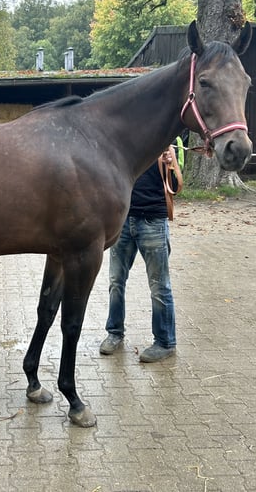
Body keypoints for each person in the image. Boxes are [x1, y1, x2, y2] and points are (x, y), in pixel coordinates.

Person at [99, 139, 184, 362]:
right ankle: (114, 333)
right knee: (116, 281)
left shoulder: (166, 143)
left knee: (159, 286)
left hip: (153, 222)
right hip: (124, 221)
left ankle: (165, 342)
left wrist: (171, 163)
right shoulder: (125, 142)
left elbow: (175, 187)